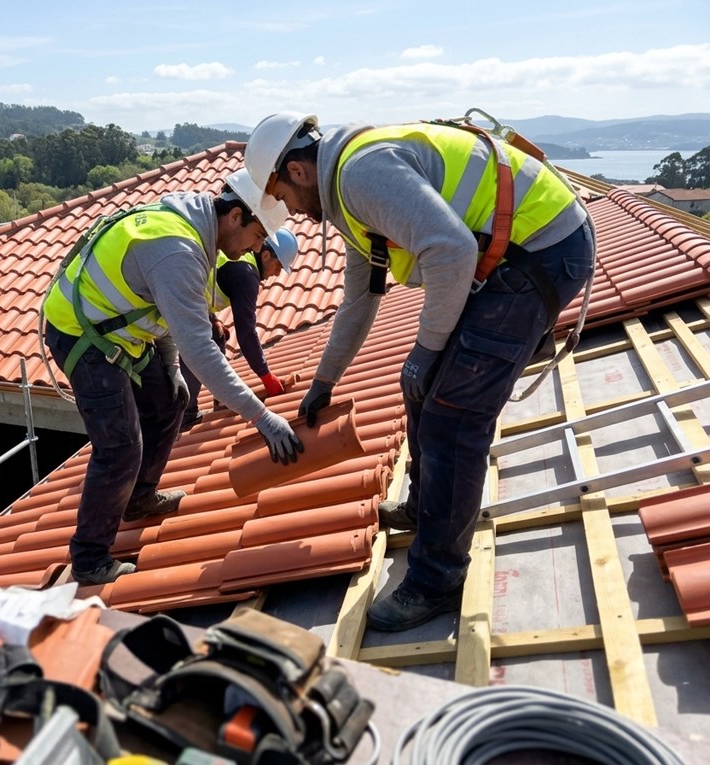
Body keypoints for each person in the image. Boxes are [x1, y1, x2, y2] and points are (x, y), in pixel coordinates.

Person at [244, 112, 594, 631]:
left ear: (296, 171)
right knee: (422, 385)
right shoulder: (347, 191)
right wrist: (324, 381)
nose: (291, 212)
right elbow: (361, 298)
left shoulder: (360, 176)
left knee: (454, 416)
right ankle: (426, 506)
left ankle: (438, 577)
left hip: (539, 252)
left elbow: (450, 250)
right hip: (508, 257)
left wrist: (427, 351)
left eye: (283, 198)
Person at [42, 169, 304, 585]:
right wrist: (261, 417)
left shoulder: (196, 231)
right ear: (235, 215)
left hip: (120, 333)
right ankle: (90, 559)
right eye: (258, 236)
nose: (258, 247)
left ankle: (140, 498)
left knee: (170, 404)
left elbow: (159, 312)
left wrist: (167, 366)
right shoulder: (178, 248)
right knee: (121, 445)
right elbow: (200, 349)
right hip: (81, 334)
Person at [179, 227, 300, 431]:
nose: (277, 274)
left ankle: (221, 398)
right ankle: (184, 416)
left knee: (215, 334)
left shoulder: (243, 259)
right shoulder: (246, 273)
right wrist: (266, 376)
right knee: (197, 343)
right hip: (179, 297)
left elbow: (203, 283)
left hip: (190, 295)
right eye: (278, 266)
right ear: (266, 255)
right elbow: (246, 334)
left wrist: (211, 317)